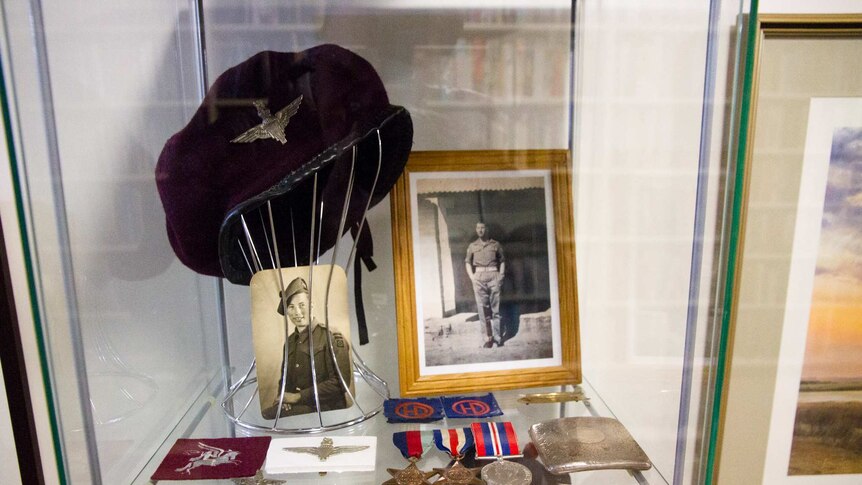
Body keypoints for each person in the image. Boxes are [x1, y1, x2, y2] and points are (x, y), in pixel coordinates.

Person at [262, 277, 352, 419]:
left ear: (311, 306)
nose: (297, 312)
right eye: (291, 307)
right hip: (301, 406)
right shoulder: (290, 342)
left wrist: (297, 397)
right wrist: (284, 398)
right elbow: (285, 379)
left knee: (268, 416)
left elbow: (341, 383)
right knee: (267, 415)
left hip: (327, 409)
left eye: (302, 305)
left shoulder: (332, 336)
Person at [464, 222, 506, 348]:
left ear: (487, 229)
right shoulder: (472, 246)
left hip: (494, 276)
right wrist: (472, 277)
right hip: (479, 277)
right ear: (476, 230)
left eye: (482, 227)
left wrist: (501, 275)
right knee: (483, 310)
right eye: (478, 228)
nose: (480, 230)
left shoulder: (495, 244)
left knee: (496, 309)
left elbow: (502, 261)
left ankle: (498, 337)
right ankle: (488, 338)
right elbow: (467, 262)